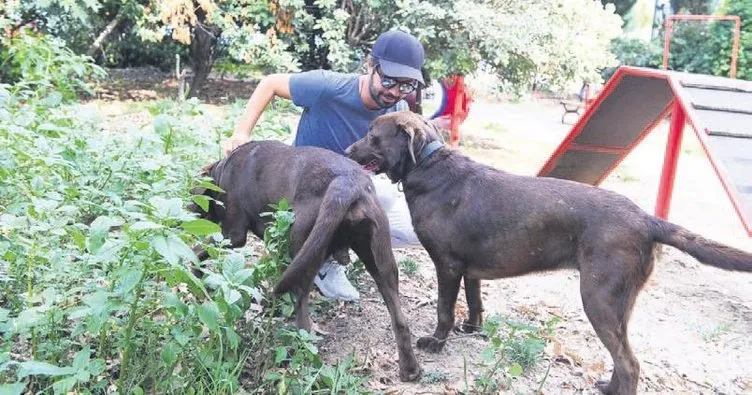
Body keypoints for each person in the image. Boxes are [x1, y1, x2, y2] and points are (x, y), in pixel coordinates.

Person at [222, 30, 426, 301]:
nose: (395, 91)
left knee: (416, 229)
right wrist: (241, 132)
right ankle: (320, 258)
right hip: (307, 189)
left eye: (406, 85)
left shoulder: (397, 107)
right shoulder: (329, 87)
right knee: (379, 195)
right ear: (369, 65)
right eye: (389, 80)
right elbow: (270, 83)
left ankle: (331, 248)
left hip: (352, 187)